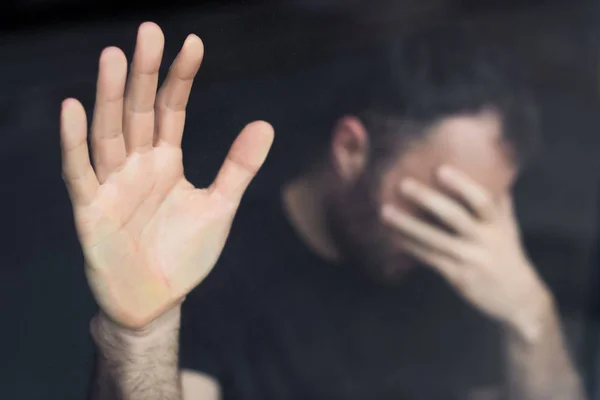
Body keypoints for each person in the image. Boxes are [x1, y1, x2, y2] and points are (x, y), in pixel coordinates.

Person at [59, 21, 586, 400]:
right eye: (440, 209)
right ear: (352, 149)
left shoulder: (467, 272)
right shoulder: (209, 259)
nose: (461, 239)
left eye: (482, 212)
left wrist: (531, 315)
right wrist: (143, 334)